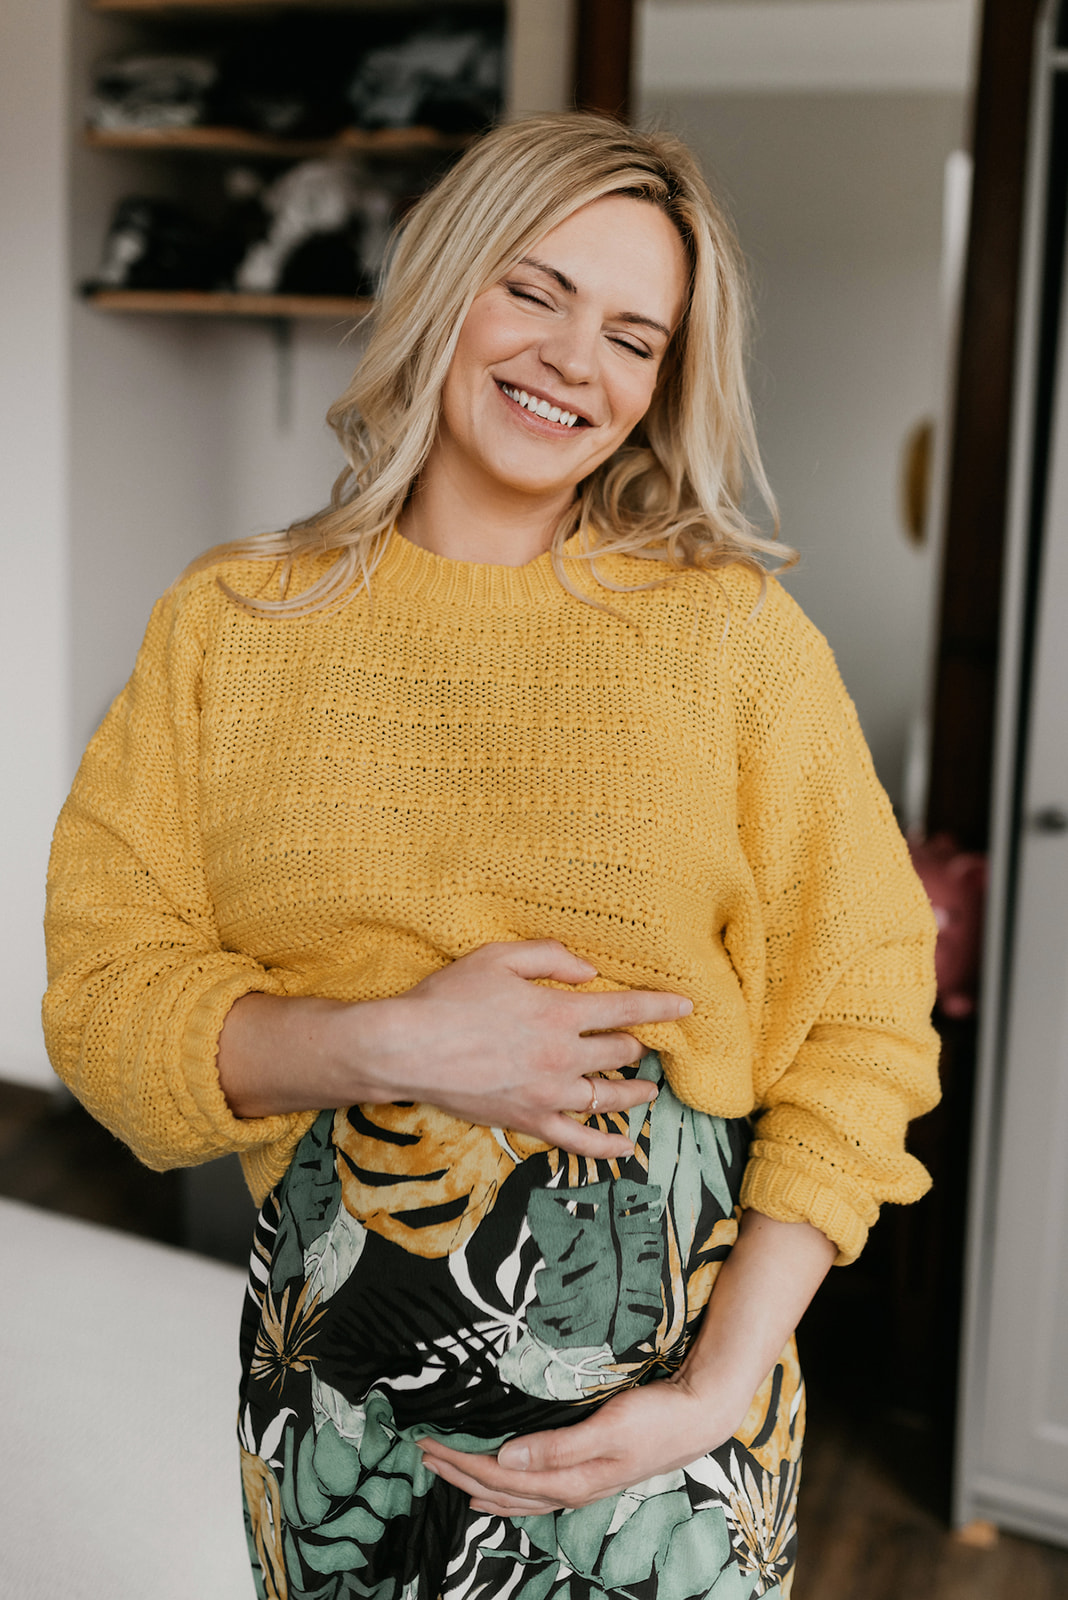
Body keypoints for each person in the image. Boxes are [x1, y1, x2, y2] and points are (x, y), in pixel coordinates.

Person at [43, 113, 940, 1600]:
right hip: (336, 1423)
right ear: (446, 283)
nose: (575, 362)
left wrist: (718, 1386)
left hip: (666, 1436)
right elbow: (103, 1001)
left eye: (634, 338)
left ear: (663, 385)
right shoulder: (231, 627)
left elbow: (866, 1015)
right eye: (536, 291)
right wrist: (393, 1042)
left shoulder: (731, 641)